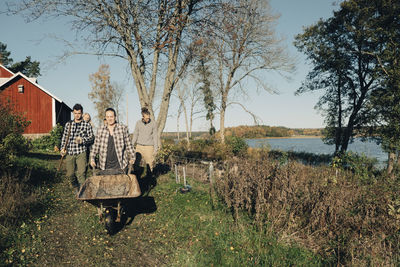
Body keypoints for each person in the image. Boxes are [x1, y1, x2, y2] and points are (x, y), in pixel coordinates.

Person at [60, 104, 94, 194]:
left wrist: (83, 140)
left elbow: (92, 138)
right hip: (70, 152)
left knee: (82, 173)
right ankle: (76, 186)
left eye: (79, 113)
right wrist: (62, 149)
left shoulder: (86, 125)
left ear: (82, 113)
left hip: (81, 152)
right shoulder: (68, 124)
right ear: (73, 113)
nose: (77, 115)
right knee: (70, 174)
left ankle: (82, 191)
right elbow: (64, 138)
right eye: (75, 113)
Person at [90, 108, 135, 173]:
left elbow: (129, 145)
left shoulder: (122, 128)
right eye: (107, 117)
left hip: (120, 165)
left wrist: (132, 157)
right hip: (104, 166)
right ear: (105, 118)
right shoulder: (101, 129)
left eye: (111, 116)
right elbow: (95, 146)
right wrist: (92, 159)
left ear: (115, 117)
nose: (109, 119)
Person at [132, 107, 159, 173]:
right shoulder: (138, 123)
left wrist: (155, 148)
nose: (148, 119)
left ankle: (149, 179)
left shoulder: (153, 123)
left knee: (150, 165)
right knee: (135, 163)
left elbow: (155, 136)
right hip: (139, 146)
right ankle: (137, 178)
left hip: (149, 147)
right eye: (146, 118)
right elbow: (135, 134)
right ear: (142, 117)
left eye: (149, 118)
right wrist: (132, 145)